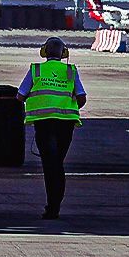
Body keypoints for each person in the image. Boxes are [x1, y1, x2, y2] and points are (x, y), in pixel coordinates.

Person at [20, 36, 85, 220]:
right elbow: (81, 97)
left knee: (50, 165)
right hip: (66, 123)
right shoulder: (71, 71)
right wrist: (68, 107)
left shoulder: (36, 70)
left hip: (44, 123)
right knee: (57, 164)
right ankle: (55, 205)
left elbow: (20, 95)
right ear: (64, 53)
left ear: (44, 52)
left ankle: (52, 207)